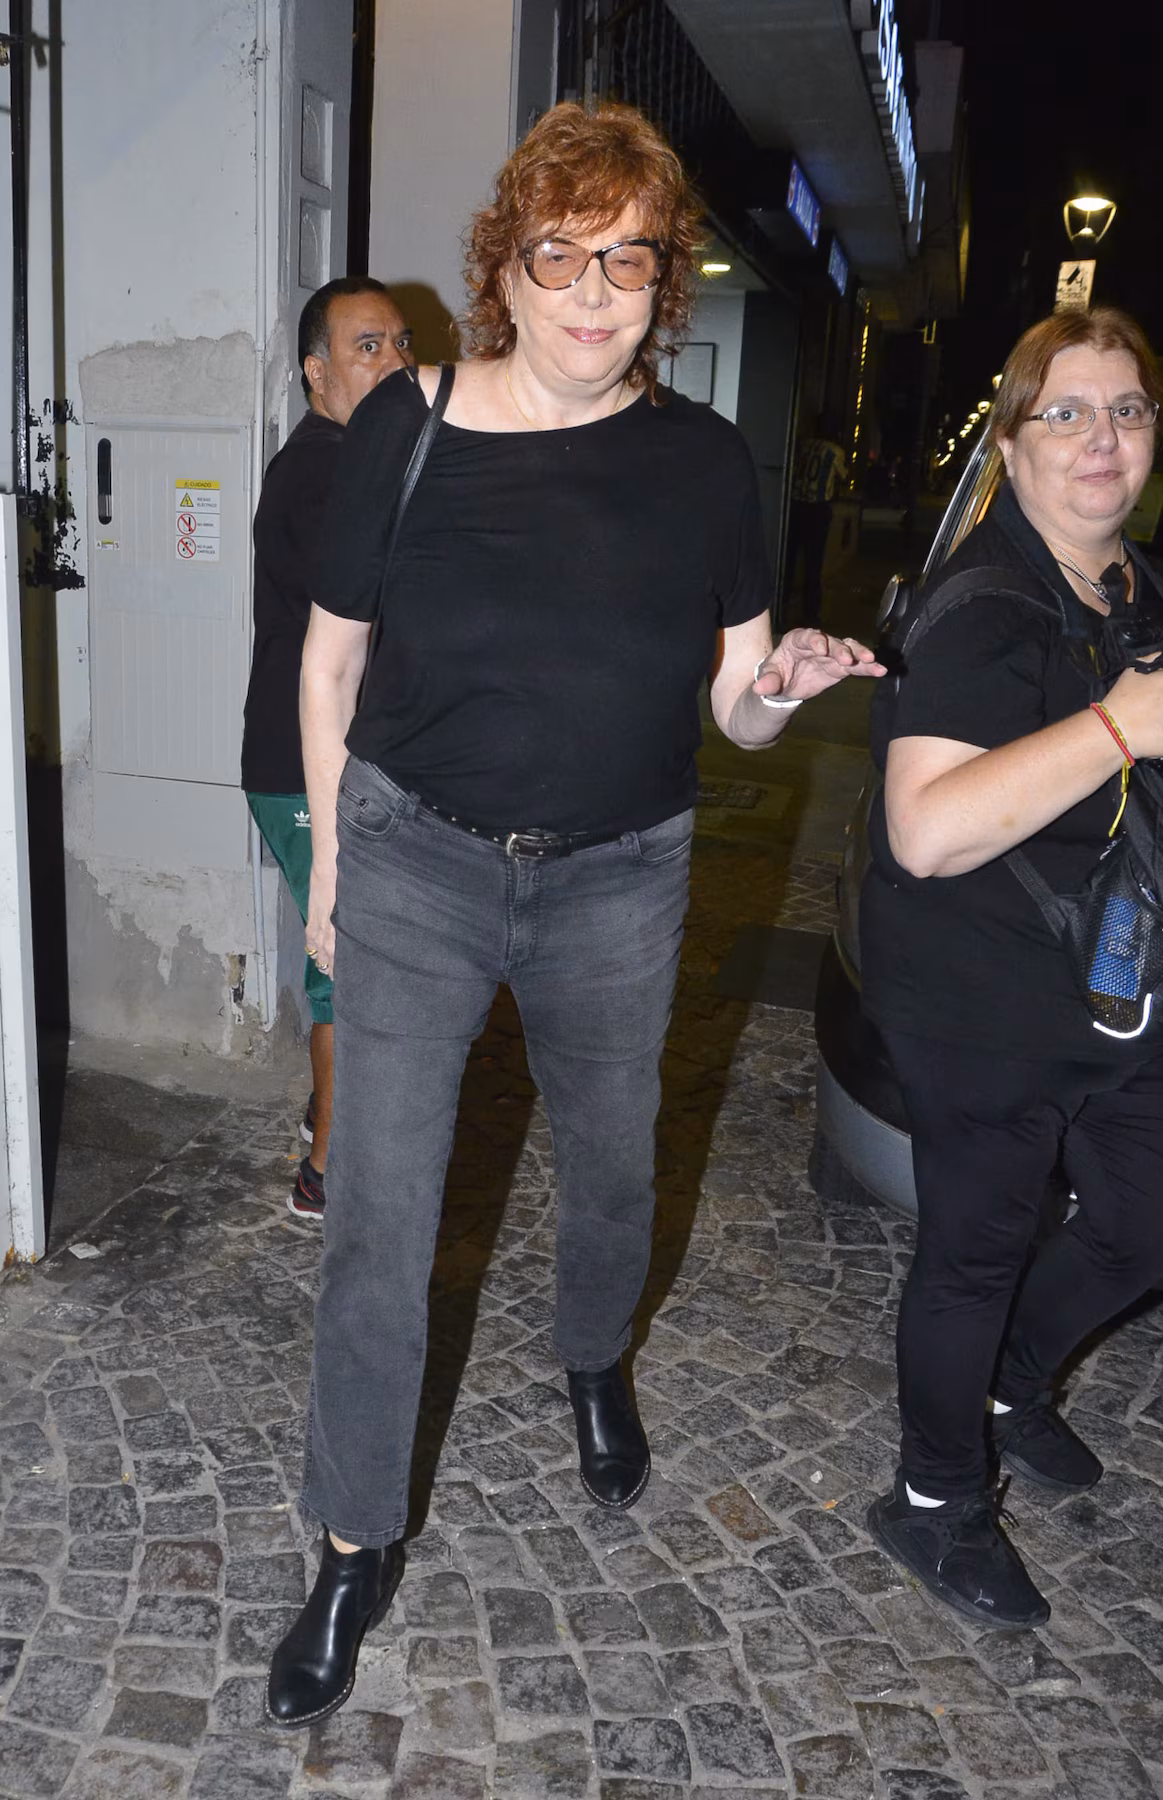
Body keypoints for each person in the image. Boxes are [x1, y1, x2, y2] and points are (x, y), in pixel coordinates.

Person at [264, 100, 883, 1728]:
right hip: (418, 862)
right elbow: (330, 665)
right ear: (507, 267)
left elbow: (736, 701)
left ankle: (595, 1357)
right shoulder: (404, 428)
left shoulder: (701, 463)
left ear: (665, 281)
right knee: (383, 1215)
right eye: (563, 255)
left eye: (630, 260)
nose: (595, 293)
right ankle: (352, 1541)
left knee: (615, 1168)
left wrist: (785, 684)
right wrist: (331, 872)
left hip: (619, 874)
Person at [860, 306, 1163, 1630]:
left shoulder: (1144, 588)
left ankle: (1008, 1383)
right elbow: (927, 830)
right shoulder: (982, 606)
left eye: (1127, 410)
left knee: (1161, 1210)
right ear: (1011, 444)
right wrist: (1120, 726)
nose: (1100, 439)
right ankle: (934, 1496)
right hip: (982, 998)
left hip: (1123, 988)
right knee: (977, 1253)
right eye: (1066, 413)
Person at [241, 275, 415, 1220]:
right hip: (305, 762)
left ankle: (327, 1121)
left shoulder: (358, 462)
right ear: (317, 372)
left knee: (356, 955)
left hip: (338, 755)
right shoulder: (322, 472)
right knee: (346, 968)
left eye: (401, 342)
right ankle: (326, 1176)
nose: (394, 362)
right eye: (367, 347)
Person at [785, 421, 847, 627]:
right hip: (817, 509)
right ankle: (810, 612)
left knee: (789, 558)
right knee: (813, 563)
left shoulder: (804, 445)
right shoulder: (834, 451)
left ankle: (782, 605)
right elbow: (843, 476)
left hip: (797, 504)